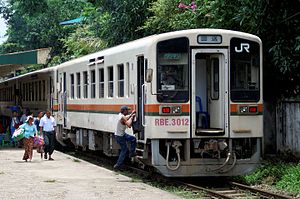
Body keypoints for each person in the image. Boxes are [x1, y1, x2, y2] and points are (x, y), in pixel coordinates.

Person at [113, 106, 137, 171]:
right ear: (124, 111)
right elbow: (129, 125)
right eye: (127, 110)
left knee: (133, 139)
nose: (128, 111)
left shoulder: (120, 115)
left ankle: (132, 152)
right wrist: (132, 117)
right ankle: (118, 164)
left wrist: (131, 114)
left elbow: (127, 117)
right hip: (120, 136)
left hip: (121, 134)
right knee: (124, 150)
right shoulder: (122, 117)